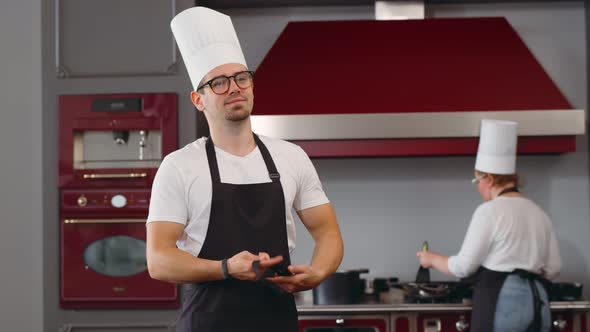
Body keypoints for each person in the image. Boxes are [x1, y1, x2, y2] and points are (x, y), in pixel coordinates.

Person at [145, 6, 344, 332]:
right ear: (198, 99)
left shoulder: (291, 156)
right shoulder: (180, 166)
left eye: (241, 78)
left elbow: (328, 232)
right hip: (206, 324)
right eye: (219, 83)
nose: (234, 87)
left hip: (276, 322)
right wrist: (225, 268)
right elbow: (158, 260)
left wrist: (319, 272)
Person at [416, 119, 561, 332]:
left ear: (490, 179)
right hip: (537, 302)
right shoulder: (539, 212)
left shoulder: (489, 211)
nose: (478, 188)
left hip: (503, 305)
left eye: (478, 181)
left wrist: (432, 259)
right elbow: (554, 268)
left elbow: (463, 267)